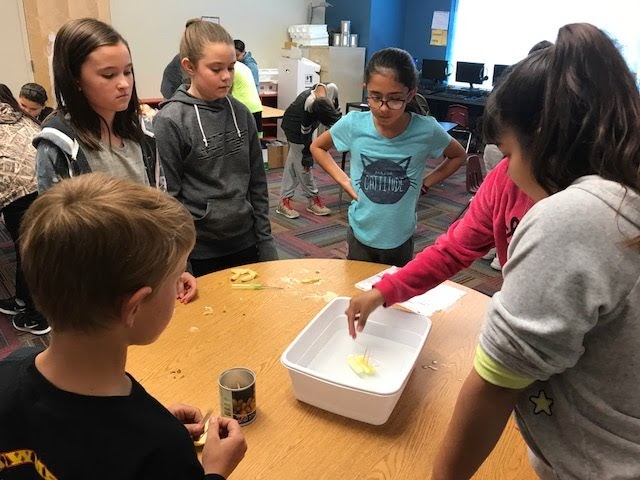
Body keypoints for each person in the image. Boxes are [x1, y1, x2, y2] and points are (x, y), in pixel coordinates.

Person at [431, 24, 640, 479]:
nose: (504, 168)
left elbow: (494, 385)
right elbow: (455, 245)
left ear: (543, 137)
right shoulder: (627, 193)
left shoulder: (572, 217)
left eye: (506, 152)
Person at [0, 173, 247, 479]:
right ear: (134, 306)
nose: (180, 286)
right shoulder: (161, 450)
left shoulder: (8, 371)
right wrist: (214, 471)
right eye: (175, 279)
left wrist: (144, 424)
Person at [33, 18, 197, 304]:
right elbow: (57, 242)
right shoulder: (59, 145)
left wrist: (176, 268)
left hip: (148, 276)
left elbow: (162, 207)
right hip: (98, 292)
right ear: (75, 80)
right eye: (108, 75)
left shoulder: (144, 135)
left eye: (128, 71)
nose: (124, 84)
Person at [311, 47, 467, 267]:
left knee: (395, 293)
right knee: (357, 289)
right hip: (360, 233)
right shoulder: (354, 124)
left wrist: (426, 183)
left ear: (410, 95)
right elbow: (318, 147)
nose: (383, 108)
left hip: (400, 236)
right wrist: (344, 181)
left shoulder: (426, 130)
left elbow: (458, 156)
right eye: (375, 98)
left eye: (394, 100)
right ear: (366, 89)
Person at [154, 19, 278, 277]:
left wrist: (266, 242)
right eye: (216, 69)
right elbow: (170, 201)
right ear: (189, 67)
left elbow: (257, 183)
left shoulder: (241, 113)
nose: (226, 77)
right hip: (200, 253)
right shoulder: (171, 120)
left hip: (246, 242)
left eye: (231, 68)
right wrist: (181, 264)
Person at [0, 84, 49, 335]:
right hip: (43, 182)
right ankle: (22, 300)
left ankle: (37, 316)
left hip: (18, 193)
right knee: (28, 250)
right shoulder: (20, 117)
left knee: (29, 253)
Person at [276, 83, 341, 219]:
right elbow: (305, 132)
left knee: (292, 163)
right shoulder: (309, 103)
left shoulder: (332, 88)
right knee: (303, 165)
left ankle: (283, 201)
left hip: (306, 126)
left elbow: (336, 114)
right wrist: (307, 154)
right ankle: (313, 199)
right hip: (294, 127)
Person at [230, 60, 263, 137]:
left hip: (243, 107)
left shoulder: (232, 68)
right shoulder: (243, 66)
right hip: (256, 106)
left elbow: (226, 91)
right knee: (256, 140)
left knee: (241, 139)